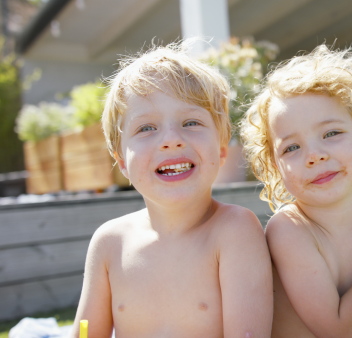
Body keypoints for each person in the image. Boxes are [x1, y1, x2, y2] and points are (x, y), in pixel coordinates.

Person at [71, 41, 273, 337]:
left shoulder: (235, 231)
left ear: (220, 150)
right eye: (146, 128)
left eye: (191, 122)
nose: (171, 140)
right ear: (122, 162)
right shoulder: (109, 243)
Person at [241, 36, 352, 338]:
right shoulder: (291, 229)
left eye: (331, 133)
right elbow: (335, 330)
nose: (314, 155)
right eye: (292, 148)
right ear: (275, 168)